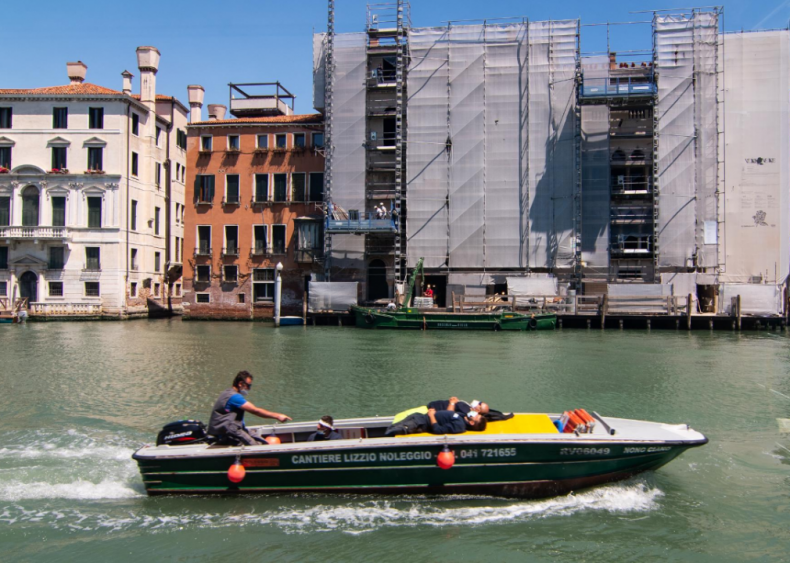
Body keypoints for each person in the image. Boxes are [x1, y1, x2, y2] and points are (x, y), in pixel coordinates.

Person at [207, 371, 292, 446]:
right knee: (255, 446)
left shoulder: (228, 392)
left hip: (236, 429)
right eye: (248, 385)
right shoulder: (234, 397)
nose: (249, 388)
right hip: (229, 432)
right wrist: (277, 416)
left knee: (264, 442)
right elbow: (255, 410)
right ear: (240, 384)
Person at [385, 407, 486, 437]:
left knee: (394, 431)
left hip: (421, 423)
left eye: (476, 416)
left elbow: (438, 430)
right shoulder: (463, 416)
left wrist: (432, 415)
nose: (475, 414)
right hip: (420, 417)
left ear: (472, 423)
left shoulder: (459, 426)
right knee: (392, 427)